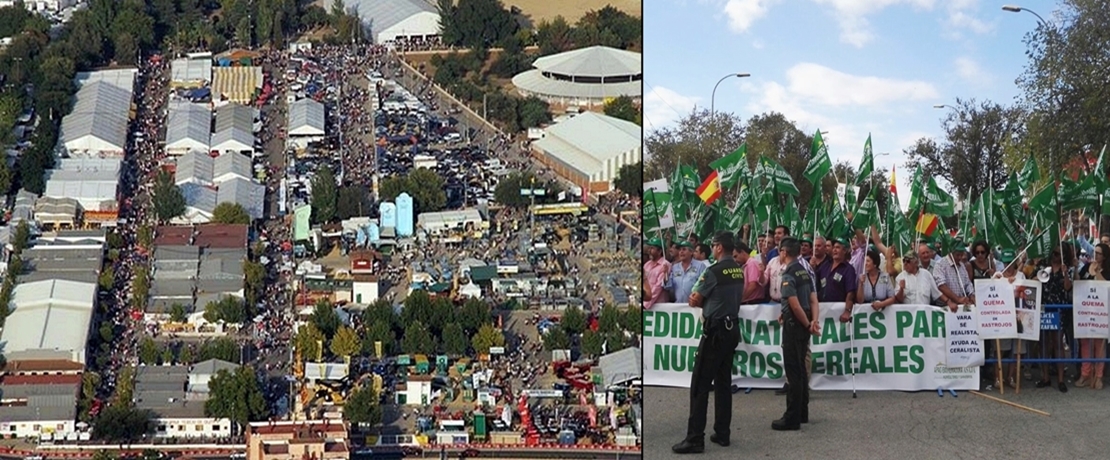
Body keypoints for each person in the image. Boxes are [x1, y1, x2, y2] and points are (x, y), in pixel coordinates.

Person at [672, 232, 745, 454]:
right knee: (723, 383)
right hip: (732, 328)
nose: (712, 249)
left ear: (719, 247)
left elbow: (696, 298)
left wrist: (697, 299)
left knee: (700, 385)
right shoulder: (737, 271)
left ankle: (695, 438)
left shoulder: (713, 271)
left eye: (713, 245)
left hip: (715, 331)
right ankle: (722, 432)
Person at [774, 237, 820, 431]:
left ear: (784, 252)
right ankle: (802, 412)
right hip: (803, 321)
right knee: (801, 368)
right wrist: (813, 321)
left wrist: (807, 323)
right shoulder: (804, 271)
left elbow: (794, 303)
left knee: (793, 370)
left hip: (795, 325)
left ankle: (792, 417)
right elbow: (813, 299)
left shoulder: (789, 274)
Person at [1036, 245, 1074, 392]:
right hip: (1045, 309)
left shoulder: (1067, 269)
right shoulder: (1043, 267)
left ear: (1063, 255)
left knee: (1058, 344)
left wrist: (1065, 273)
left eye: (1057, 254)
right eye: (1053, 253)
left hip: (1059, 310)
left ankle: (1060, 379)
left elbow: (1067, 288)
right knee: (1044, 344)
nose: (1054, 256)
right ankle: (1045, 377)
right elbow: (1034, 280)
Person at [1076, 243, 1110, 390]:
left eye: (1099, 253)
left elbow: (1106, 285)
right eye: (1094, 252)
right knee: (1085, 343)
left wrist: (1097, 273)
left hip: (1101, 312)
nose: (1096, 255)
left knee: (1099, 345)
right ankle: (1085, 374)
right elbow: (1078, 283)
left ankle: (1098, 376)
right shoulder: (1086, 266)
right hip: (1086, 311)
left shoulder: (1108, 269)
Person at [819, 237, 858, 323]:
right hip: (822, 311)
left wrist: (847, 311)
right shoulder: (824, 266)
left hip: (838, 311)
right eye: (834, 248)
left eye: (838, 247)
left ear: (844, 251)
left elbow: (850, 293)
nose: (834, 250)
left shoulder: (848, 269)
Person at [934, 240, 974, 312]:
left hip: (962, 306)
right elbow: (941, 286)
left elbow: (967, 283)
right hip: (946, 306)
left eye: (961, 255)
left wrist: (972, 295)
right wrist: (957, 299)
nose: (960, 257)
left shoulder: (961, 265)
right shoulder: (940, 264)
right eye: (957, 255)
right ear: (950, 252)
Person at [667, 242, 707, 307]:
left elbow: (704, 285)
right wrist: (665, 274)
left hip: (695, 306)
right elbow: (668, 287)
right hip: (678, 306)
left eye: (684, 249)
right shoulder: (674, 267)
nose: (681, 252)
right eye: (680, 250)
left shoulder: (700, 266)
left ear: (691, 252)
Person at [643, 238, 671, 310]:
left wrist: (646, 304)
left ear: (659, 251)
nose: (649, 251)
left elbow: (658, 287)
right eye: (649, 248)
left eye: (652, 248)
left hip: (658, 306)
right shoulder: (647, 265)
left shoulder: (665, 265)